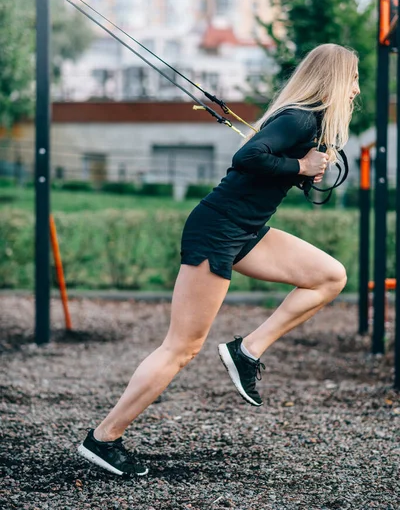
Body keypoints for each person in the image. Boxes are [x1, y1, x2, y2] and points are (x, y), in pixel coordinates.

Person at [78, 43, 360, 477]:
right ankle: (103, 439)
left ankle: (246, 351)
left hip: (246, 230)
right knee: (181, 347)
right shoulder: (299, 116)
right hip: (218, 230)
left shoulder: (308, 123)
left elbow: (265, 166)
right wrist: (300, 167)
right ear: (336, 80)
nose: (357, 89)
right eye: (354, 79)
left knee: (329, 276)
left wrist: (300, 170)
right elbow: (245, 157)